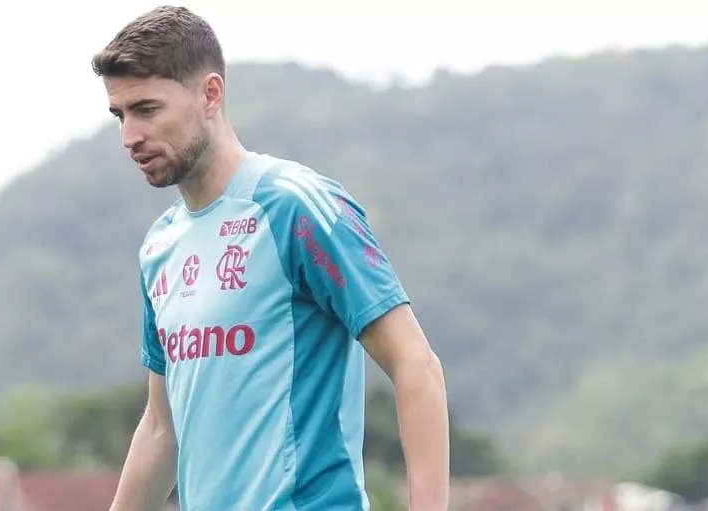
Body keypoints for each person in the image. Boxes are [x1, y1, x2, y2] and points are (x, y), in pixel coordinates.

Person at [91, 6, 450, 511]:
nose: (130, 136)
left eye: (147, 110)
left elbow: (416, 364)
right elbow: (160, 427)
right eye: (120, 115)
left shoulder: (297, 207)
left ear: (210, 94)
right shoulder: (159, 246)